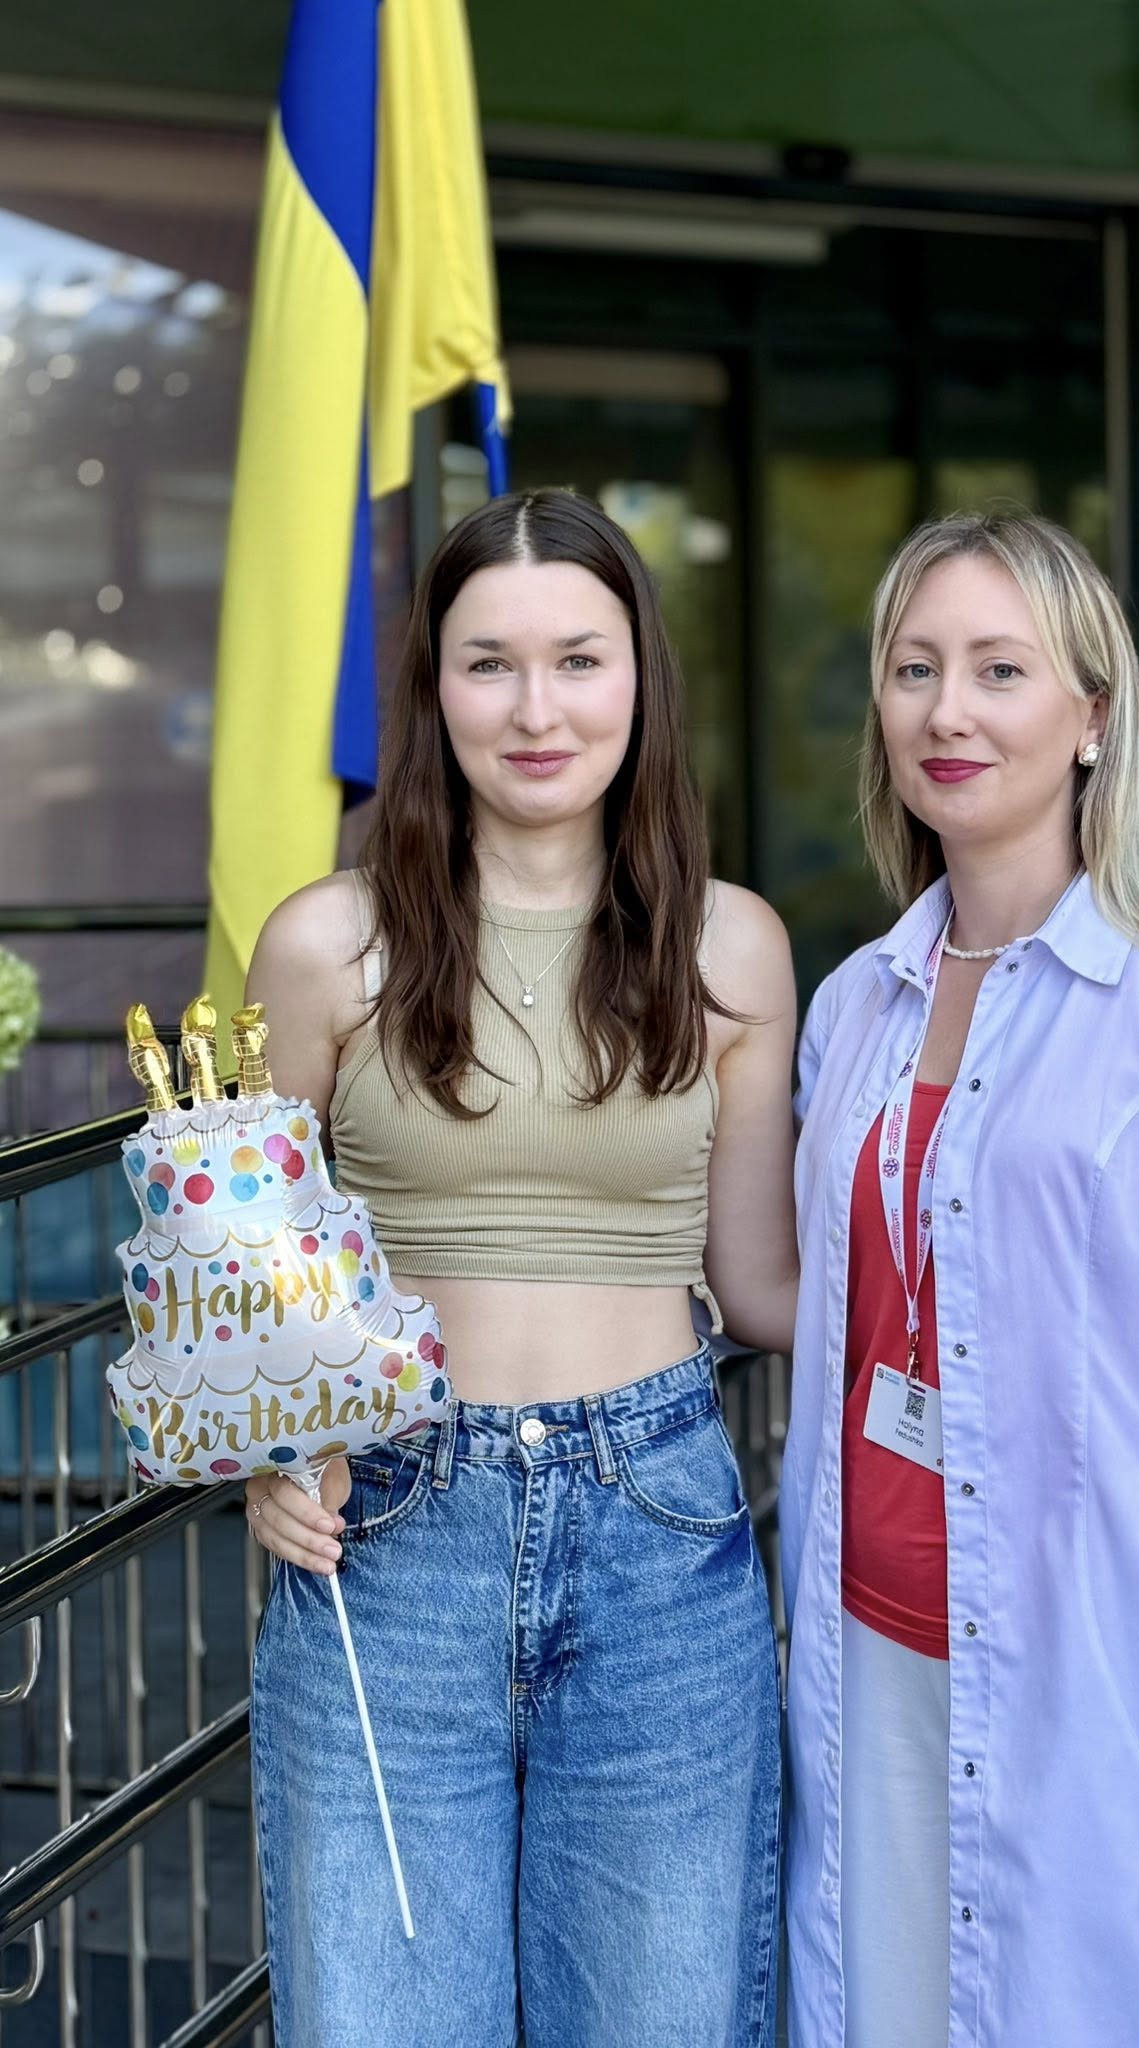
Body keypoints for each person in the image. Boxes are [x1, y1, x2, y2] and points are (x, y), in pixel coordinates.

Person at [783, 511, 1139, 2048]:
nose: (949, 712)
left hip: (1100, 1676)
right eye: (915, 669)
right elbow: (816, 1306)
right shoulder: (853, 1009)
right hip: (866, 1661)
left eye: (1000, 670)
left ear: (1094, 715)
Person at [241, 489, 797, 2048]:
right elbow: (258, 1277)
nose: (537, 710)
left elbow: (762, 1287)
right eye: (490, 663)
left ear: (641, 681)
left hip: (661, 1535)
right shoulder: (324, 945)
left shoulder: (733, 948)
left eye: (578, 661)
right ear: (432, 690)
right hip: (388, 1538)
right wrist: (272, 1454)